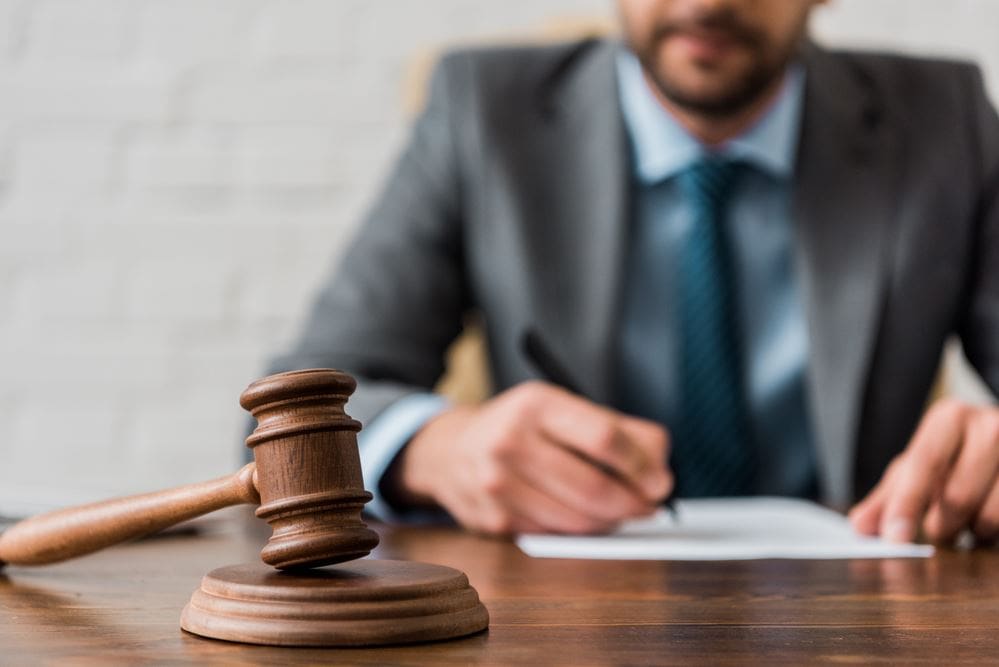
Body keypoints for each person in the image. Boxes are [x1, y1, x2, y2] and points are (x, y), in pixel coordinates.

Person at [265, 0, 999, 544]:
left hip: (864, 618)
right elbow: (287, 421)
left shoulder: (945, 120)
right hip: (558, 621)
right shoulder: (480, 111)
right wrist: (435, 451)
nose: (706, 3)